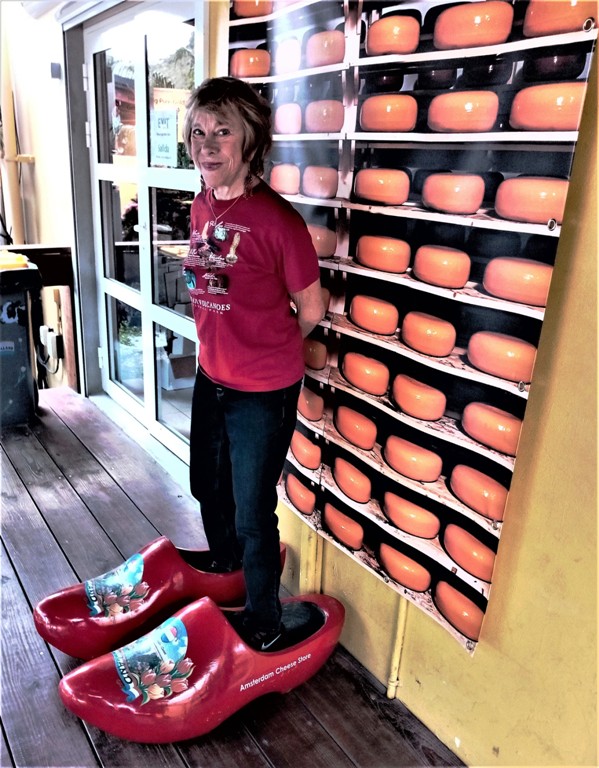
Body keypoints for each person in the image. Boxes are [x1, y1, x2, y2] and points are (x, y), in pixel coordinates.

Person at [181, 77, 325, 651]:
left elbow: (311, 308)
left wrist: (266, 345)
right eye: (197, 132)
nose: (206, 145)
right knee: (204, 485)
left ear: (251, 141)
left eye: (222, 133)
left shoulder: (278, 222)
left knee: (252, 510)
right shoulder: (201, 205)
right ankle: (227, 569)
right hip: (210, 375)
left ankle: (264, 621)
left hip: (261, 390)